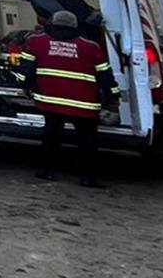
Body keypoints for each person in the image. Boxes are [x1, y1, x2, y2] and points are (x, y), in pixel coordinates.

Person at [25, 10, 120, 188]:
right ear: (75, 26)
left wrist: (27, 88)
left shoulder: (37, 42)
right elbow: (105, 75)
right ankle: (87, 177)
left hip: (50, 101)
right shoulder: (91, 47)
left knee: (51, 137)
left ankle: (48, 171)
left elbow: (27, 71)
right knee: (87, 142)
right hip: (83, 104)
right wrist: (113, 93)